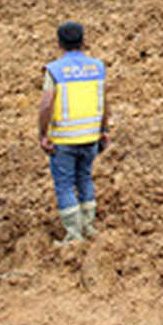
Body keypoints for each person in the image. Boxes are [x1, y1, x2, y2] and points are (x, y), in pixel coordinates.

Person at [38, 21, 110, 244]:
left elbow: (46, 104)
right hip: (90, 136)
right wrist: (104, 129)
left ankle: (74, 235)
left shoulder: (55, 70)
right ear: (83, 41)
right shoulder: (97, 67)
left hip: (64, 139)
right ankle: (89, 227)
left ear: (59, 43)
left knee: (65, 184)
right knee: (85, 178)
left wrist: (43, 134)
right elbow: (105, 101)